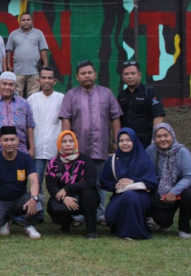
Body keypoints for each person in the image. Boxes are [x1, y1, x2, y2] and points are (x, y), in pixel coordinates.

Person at [60, 60, 123, 224]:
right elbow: (66, 120)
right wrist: (66, 144)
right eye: (83, 73)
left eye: (89, 72)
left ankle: (100, 213)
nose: (86, 76)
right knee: (77, 181)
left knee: (99, 181)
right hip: (77, 149)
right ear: (77, 77)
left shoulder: (107, 94)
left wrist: (116, 141)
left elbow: (115, 118)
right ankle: (79, 214)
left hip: (101, 146)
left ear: (94, 74)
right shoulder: (71, 95)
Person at [0, 127, 42, 239]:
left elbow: (34, 181)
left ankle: (29, 225)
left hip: (20, 200)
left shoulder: (26, 159)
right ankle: (6, 220)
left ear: (18, 141)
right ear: (0, 142)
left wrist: (33, 198)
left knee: (38, 200)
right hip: (1, 201)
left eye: (12, 139)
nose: (9, 143)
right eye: (5, 140)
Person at [100, 128, 158, 240]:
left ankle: (133, 232)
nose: (125, 143)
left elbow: (152, 182)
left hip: (141, 196)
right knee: (110, 216)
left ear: (134, 141)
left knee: (130, 196)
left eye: (128, 140)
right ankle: (120, 227)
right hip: (119, 195)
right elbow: (104, 181)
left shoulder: (144, 159)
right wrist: (116, 185)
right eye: (121, 141)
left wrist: (133, 182)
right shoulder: (112, 160)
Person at [146, 123, 191, 239]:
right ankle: (166, 221)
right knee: (161, 220)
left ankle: (184, 226)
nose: (163, 139)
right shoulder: (151, 150)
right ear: (155, 138)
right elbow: (146, 170)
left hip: (181, 187)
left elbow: (189, 176)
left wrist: (173, 192)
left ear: (172, 136)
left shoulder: (182, 151)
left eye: (166, 135)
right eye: (159, 136)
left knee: (190, 195)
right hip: (160, 187)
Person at [45, 130, 100, 239]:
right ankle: (66, 225)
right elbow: (51, 186)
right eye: (64, 141)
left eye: (71, 141)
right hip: (64, 198)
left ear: (76, 143)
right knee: (53, 206)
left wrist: (68, 188)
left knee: (89, 194)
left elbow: (90, 182)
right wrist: (64, 198)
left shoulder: (85, 160)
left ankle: (91, 231)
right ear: (59, 145)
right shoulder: (53, 162)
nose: (68, 144)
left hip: (83, 198)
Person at [0, 71, 36, 158]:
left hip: (20, 151)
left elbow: (30, 126)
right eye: (4, 84)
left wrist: (31, 148)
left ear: (16, 86)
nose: (7, 87)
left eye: (11, 84)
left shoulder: (24, 103)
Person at [27, 66, 64, 187]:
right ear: (38, 80)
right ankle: (38, 206)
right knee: (36, 183)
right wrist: (31, 147)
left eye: (50, 78)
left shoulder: (62, 98)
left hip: (56, 149)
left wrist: (62, 147)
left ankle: (57, 206)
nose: (47, 80)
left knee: (59, 182)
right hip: (37, 149)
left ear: (55, 81)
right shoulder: (32, 99)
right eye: (44, 78)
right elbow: (29, 125)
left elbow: (65, 122)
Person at [117, 60, 165, 149]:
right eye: (126, 74)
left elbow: (158, 116)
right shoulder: (121, 95)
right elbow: (117, 119)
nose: (130, 76)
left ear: (139, 75)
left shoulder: (149, 92)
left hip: (146, 142)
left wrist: (154, 140)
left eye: (133, 73)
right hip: (127, 142)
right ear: (122, 77)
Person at [5, 12, 49, 98]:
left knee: (34, 96)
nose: (26, 22)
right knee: (16, 95)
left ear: (32, 21)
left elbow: (43, 49)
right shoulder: (14, 34)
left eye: (28, 20)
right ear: (20, 21)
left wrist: (45, 64)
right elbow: (9, 50)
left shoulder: (38, 33)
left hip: (34, 71)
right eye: (23, 20)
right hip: (18, 71)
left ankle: (32, 112)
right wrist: (8, 65)